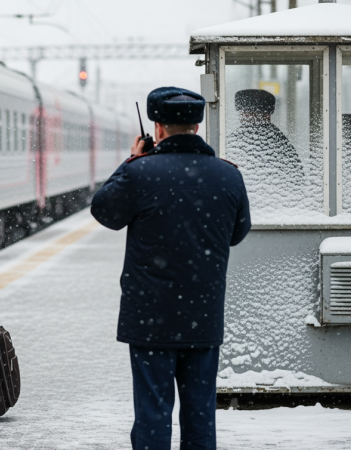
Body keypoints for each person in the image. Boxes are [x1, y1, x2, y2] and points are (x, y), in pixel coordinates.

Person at [91, 87, 251, 450]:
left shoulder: (139, 173)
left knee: (153, 412)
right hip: (203, 315)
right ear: (196, 127)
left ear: (158, 129)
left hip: (150, 318)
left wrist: (132, 160)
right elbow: (237, 233)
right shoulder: (228, 175)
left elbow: (104, 211)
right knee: (200, 414)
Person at [225, 89, 305, 209]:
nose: (243, 117)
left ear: (267, 115)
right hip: (279, 207)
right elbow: (297, 179)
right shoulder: (280, 141)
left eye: (247, 113)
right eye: (243, 113)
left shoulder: (236, 140)